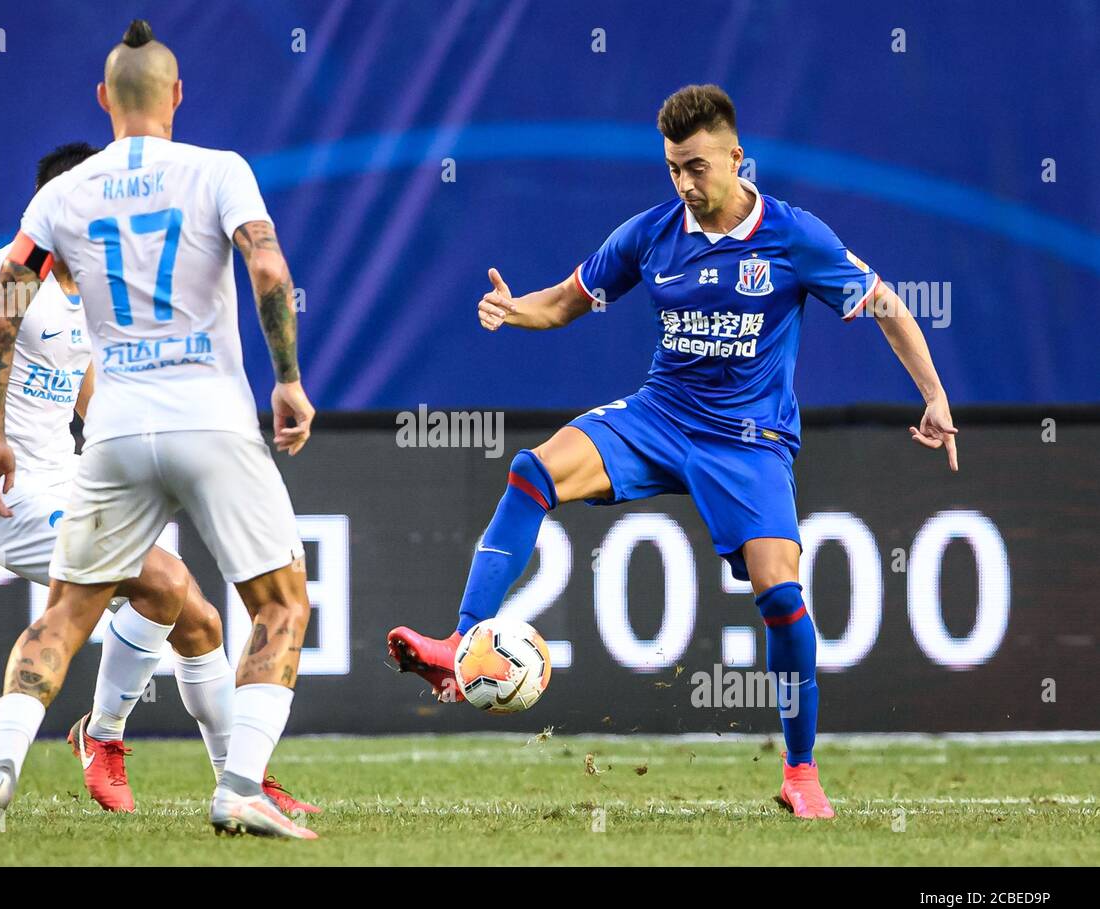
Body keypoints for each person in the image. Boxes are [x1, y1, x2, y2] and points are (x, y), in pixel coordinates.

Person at [388, 84, 959, 820]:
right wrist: (513, 308)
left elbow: (883, 303)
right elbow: (567, 300)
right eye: (672, 169)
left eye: (697, 167)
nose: (686, 183)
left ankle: (801, 773)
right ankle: (459, 645)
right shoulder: (651, 234)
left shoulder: (793, 236)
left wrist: (935, 395)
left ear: (735, 158)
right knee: (533, 471)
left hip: (749, 441)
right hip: (660, 416)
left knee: (783, 598)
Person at [0, 20, 317, 842]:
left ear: (104, 100)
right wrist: (287, 379)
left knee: (65, 617)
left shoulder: (63, 196)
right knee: (280, 605)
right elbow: (268, 269)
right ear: (178, 96)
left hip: (112, 433)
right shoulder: (220, 171)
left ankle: (0, 768)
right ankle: (239, 784)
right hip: (209, 419)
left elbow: (2, 315)